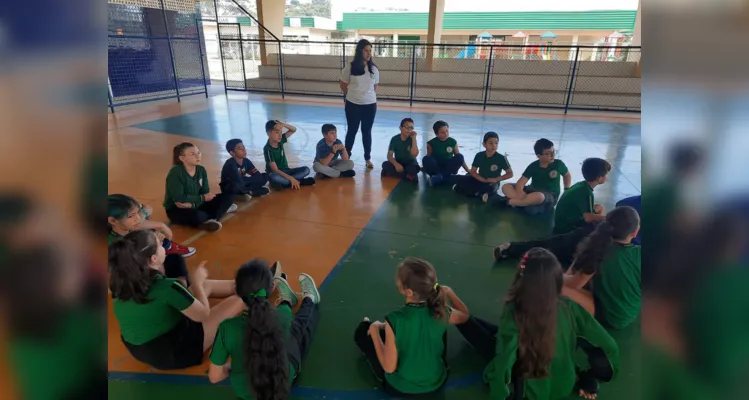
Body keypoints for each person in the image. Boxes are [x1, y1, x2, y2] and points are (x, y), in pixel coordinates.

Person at [481, 248, 619, 400]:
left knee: (485, 336)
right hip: (565, 384)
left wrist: (500, 393)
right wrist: (590, 379)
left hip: (530, 391)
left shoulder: (514, 310)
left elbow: (504, 359)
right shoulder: (569, 307)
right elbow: (608, 346)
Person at [109, 230, 245, 370]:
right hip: (175, 353)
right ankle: (257, 287)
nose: (163, 246)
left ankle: (242, 284)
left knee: (204, 286)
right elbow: (203, 314)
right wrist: (197, 282)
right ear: (153, 259)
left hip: (142, 350)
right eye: (160, 245)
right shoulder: (169, 287)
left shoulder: (121, 285)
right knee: (238, 301)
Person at [353, 258, 469, 397]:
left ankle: (366, 326)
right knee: (439, 323)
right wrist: (449, 292)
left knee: (362, 334)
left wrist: (375, 332)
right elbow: (465, 316)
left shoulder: (394, 319)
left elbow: (389, 368)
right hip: (436, 382)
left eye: (398, 280)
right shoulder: (441, 310)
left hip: (402, 388)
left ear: (408, 292)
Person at [208, 259, 321, 400]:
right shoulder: (283, 315)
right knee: (299, 330)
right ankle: (309, 299)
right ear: (272, 287)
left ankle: (287, 299)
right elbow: (282, 317)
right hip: (284, 382)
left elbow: (214, 377)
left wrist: (234, 367)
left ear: (237, 292)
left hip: (244, 393)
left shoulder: (227, 327)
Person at [562, 206, 641, 330]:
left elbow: (573, 283)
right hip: (629, 314)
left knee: (556, 284)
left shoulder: (599, 250)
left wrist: (552, 274)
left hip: (608, 315)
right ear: (635, 233)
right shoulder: (640, 253)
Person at [164, 142, 237, 232]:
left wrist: (194, 203)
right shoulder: (175, 173)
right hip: (177, 209)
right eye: (192, 154)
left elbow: (205, 193)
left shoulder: (201, 170)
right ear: (182, 158)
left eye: (198, 153)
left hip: (196, 203)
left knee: (229, 196)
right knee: (197, 215)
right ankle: (213, 216)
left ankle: (208, 219)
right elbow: (180, 199)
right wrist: (202, 198)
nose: (198, 156)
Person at [494, 138, 571, 215]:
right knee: (505, 186)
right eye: (548, 153)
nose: (552, 155)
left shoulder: (558, 164)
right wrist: (520, 192)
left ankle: (509, 201)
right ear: (538, 156)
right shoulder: (533, 166)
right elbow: (520, 183)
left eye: (553, 151)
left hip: (549, 195)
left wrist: (566, 189)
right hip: (531, 190)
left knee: (539, 197)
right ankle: (521, 203)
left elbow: (567, 175)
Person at [108, 194, 195, 257]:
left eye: (137, 212)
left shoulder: (120, 222)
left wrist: (160, 224)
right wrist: (155, 246)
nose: (137, 218)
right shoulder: (115, 246)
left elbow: (147, 207)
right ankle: (164, 247)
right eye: (131, 216)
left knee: (143, 220)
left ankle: (164, 245)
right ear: (112, 220)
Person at [339, 39, 379, 170]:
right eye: (366, 50)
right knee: (352, 131)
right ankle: (346, 157)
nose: (369, 53)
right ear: (359, 51)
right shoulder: (349, 68)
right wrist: (351, 96)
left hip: (370, 105)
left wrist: (366, 97)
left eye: (370, 51)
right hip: (353, 105)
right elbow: (343, 84)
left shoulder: (374, 69)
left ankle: (367, 158)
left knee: (366, 132)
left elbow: (375, 87)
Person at [552, 157, 611, 235]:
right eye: (605, 175)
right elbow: (588, 218)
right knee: (601, 223)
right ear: (599, 178)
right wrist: (609, 219)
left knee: (599, 207)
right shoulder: (586, 193)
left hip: (563, 220)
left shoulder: (581, 185)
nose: (606, 178)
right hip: (566, 228)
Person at [452, 131, 512, 200]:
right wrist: (483, 180)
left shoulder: (501, 158)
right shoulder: (479, 155)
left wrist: (496, 179)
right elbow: (473, 172)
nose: (494, 145)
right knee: (460, 178)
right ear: (484, 144)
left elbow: (510, 173)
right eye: (491, 143)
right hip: (479, 179)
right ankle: (479, 193)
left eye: (496, 143)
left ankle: (474, 192)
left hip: (492, 182)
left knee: (491, 188)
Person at [263, 120, 316, 190]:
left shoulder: (280, 140)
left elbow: (293, 130)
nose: (280, 135)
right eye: (277, 132)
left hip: (287, 171)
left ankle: (285, 184)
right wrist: (291, 178)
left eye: (281, 132)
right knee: (274, 177)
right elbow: (275, 170)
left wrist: (283, 124)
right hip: (277, 173)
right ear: (268, 133)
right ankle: (299, 181)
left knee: (306, 170)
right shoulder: (268, 149)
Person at [421, 120, 470, 186]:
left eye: (447, 131)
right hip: (436, 167)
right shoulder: (431, 143)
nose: (446, 134)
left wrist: (467, 169)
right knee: (426, 158)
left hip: (449, 167)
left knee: (460, 156)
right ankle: (445, 177)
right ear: (436, 134)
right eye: (442, 132)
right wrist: (424, 168)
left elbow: (459, 158)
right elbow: (428, 157)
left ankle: (440, 177)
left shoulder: (452, 142)